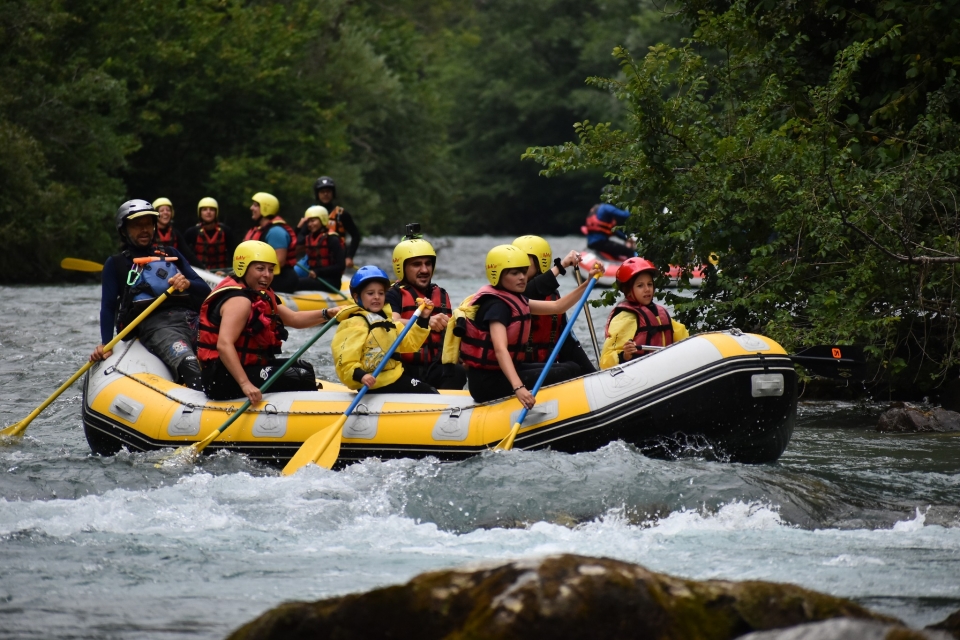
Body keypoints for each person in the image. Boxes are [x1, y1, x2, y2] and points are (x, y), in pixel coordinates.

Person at [457, 245, 602, 407]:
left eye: (524, 272)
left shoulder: (515, 299)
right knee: (567, 371)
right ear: (496, 274)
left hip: (503, 373)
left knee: (572, 367)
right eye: (514, 273)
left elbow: (558, 307)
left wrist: (588, 282)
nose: (522, 277)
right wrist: (518, 387)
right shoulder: (496, 306)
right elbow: (500, 349)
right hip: (487, 384)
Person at [196, 241, 340, 403]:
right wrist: (246, 384)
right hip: (221, 379)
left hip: (245, 368)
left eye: (271, 269)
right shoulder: (239, 300)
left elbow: (294, 319)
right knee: (300, 376)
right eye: (260, 268)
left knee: (304, 367)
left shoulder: (260, 294)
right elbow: (224, 344)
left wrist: (328, 314)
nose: (267, 275)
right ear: (243, 268)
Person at [90, 199, 211, 391]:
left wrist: (187, 283)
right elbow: (108, 307)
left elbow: (205, 290)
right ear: (124, 230)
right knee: (189, 363)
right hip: (155, 327)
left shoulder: (170, 253)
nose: (144, 229)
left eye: (148, 224)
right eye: (137, 225)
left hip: (190, 319)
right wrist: (106, 344)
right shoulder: (115, 264)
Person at [331, 265, 439, 395]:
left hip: (392, 378)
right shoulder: (354, 324)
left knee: (431, 390)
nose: (377, 297)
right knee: (429, 393)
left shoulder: (388, 322)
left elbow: (410, 344)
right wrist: (362, 376)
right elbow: (345, 361)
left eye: (381, 293)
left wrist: (423, 318)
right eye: (370, 293)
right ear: (356, 297)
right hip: (370, 383)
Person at [386, 226, 467, 390]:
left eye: (428, 264)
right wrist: (426, 321)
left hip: (434, 366)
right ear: (401, 267)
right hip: (403, 369)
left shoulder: (441, 294)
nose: (424, 270)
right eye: (416, 264)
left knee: (458, 372)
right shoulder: (392, 294)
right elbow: (392, 322)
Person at [512, 235, 597, 375]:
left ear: (541, 262)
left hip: (542, 368)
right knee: (570, 369)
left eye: (524, 260)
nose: (518, 265)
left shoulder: (551, 295)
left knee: (574, 366)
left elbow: (568, 342)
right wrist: (561, 265)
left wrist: (592, 374)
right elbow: (532, 290)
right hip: (517, 371)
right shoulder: (509, 295)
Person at [600, 258, 689, 370]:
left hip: (663, 369)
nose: (647, 289)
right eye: (640, 286)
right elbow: (605, 361)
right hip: (637, 374)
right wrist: (625, 355)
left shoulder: (658, 312)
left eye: (650, 284)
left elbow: (683, 336)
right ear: (628, 291)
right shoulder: (625, 318)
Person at [242, 192, 300, 293]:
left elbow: (279, 262)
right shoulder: (259, 229)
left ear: (266, 208)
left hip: (282, 279)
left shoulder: (276, 231)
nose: (251, 208)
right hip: (264, 276)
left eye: (255, 205)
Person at [313, 176, 361, 269]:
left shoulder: (341, 214)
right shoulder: (311, 213)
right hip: (316, 259)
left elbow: (356, 235)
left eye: (328, 191)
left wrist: (349, 256)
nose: (325, 194)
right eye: (322, 192)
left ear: (333, 193)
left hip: (336, 261)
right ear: (317, 194)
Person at [295, 205, 346, 291]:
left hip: (331, 282)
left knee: (295, 283)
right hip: (316, 278)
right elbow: (293, 242)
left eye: (313, 221)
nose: (310, 224)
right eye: (309, 222)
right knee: (290, 281)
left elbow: (341, 266)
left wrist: (318, 272)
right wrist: (298, 227)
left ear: (323, 220)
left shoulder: (332, 239)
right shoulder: (310, 237)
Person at [183, 197, 235, 272]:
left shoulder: (226, 231)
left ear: (216, 212)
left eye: (212, 209)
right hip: (200, 274)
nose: (208, 212)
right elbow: (185, 255)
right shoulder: (191, 232)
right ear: (200, 213)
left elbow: (234, 254)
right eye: (205, 210)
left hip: (221, 274)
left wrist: (226, 272)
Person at [152, 197, 199, 265]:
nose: (166, 213)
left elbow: (189, 255)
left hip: (173, 270)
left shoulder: (175, 233)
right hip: (154, 270)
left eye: (168, 210)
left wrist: (204, 270)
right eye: (161, 211)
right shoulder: (150, 234)